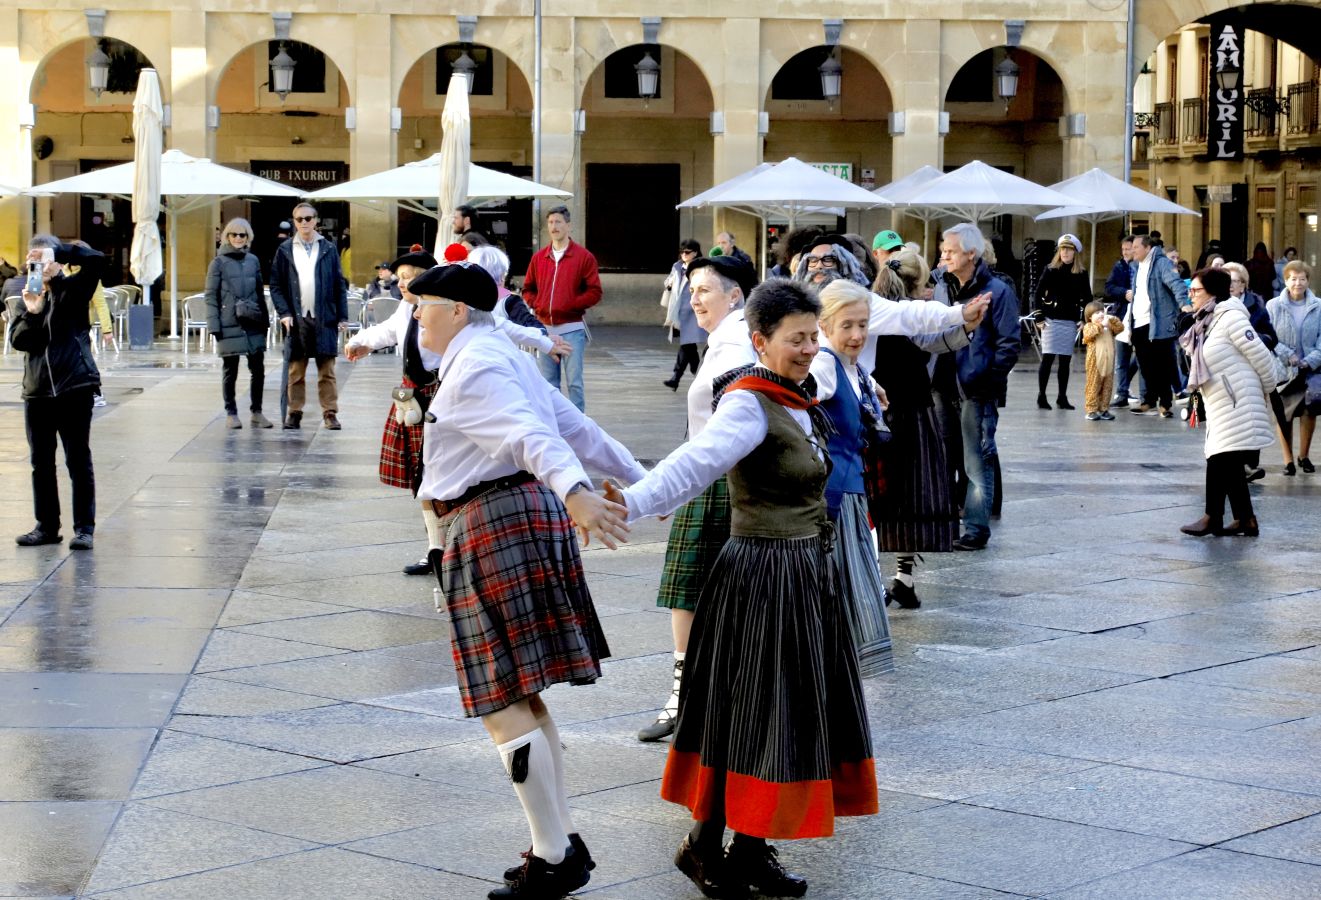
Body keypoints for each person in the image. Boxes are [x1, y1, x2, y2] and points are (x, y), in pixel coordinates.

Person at [612, 278, 877, 900]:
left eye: (814, 337)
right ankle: (706, 846)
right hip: (762, 577)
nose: (811, 348)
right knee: (750, 711)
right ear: (759, 340)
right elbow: (694, 462)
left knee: (780, 714)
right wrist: (632, 500)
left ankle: (748, 848)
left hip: (801, 575)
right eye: (797, 339)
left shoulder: (794, 398)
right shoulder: (748, 404)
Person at [410, 262, 644, 899]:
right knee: (522, 695)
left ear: (458, 309)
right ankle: (559, 842)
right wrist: (644, 484)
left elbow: (530, 433)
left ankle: (553, 854)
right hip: (516, 516)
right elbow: (573, 425)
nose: (416, 317)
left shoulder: (477, 364)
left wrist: (575, 490)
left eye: (423, 305)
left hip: (492, 521)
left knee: (499, 699)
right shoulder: (499, 351)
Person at [638, 254, 758, 744]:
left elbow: (721, 430)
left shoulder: (735, 344)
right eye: (691, 289)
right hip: (705, 477)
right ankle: (690, 695)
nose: (693, 297)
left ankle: (691, 697)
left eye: (703, 289)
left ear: (734, 295)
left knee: (691, 594)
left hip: (720, 482)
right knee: (690, 593)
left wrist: (664, 487)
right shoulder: (723, 340)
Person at [871, 250, 976, 608]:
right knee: (895, 495)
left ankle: (903, 578)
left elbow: (930, 339)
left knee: (903, 496)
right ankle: (880, 577)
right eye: (927, 282)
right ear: (914, 283)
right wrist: (962, 322)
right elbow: (928, 336)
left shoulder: (890, 310)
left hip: (901, 410)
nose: (932, 288)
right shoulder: (889, 311)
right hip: (895, 413)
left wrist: (964, 328)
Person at [812, 279, 894, 675]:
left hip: (852, 493)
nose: (858, 334)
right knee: (849, 592)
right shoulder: (825, 363)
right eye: (847, 325)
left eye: (862, 324)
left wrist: (871, 388)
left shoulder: (852, 366)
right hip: (835, 498)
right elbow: (802, 392)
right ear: (824, 326)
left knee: (851, 592)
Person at [9, 235, 105, 551]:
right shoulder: (29, 296)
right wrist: (32, 312)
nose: (36, 267)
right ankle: (47, 526)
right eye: (31, 261)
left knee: (78, 459)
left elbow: (95, 259)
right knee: (41, 462)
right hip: (37, 391)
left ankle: (84, 529)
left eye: (42, 260)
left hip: (73, 386)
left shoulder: (75, 290)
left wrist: (60, 253)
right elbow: (18, 341)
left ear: (56, 260)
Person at [934, 223, 1021, 551]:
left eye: (950, 250)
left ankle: (975, 529)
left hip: (975, 388)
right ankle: (951, 519)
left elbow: (1009, 344)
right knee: (947, 455)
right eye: (943, 250)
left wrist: (986, 380)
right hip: (943, 384)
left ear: (971, 253)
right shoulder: (942, 285)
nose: (944, 256)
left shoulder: (996, 291)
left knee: (975, 461)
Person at [1178, 268, 1278, 537]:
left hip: (1237, 398)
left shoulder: (1231, 318)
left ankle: (1213, 516)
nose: (1191, 294)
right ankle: (1246, 519)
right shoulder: (1208, 319)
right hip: (1221, 399)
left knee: (1218, 457)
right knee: (1228, 459)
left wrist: (1270, 391)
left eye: (1196, 290)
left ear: (1212, 291)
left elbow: (1261, 355)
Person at [269, 202, 349, 430]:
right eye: (299, 219)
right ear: (294, 222)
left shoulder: (328, 248)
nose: (304, 223)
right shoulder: (285, 249)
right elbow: (276, 285)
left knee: (327, 370)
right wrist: (284, 312)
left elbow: (338, 284)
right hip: (296, 317)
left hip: (325, 317)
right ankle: (295, 412)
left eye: (308, 218)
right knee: (296, 371)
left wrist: (342, 316)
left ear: (316, 220)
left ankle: (330, 412)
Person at [522, 205, 602, 412]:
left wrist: (571, 304)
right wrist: (536, 303)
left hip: (572, 329)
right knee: (549, 383)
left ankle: (579, 427)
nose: (554, 226)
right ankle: (554, 423)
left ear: (568, 225)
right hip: (545, 330)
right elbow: (528, 289)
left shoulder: (583, 257)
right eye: (550, 222)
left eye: (558, 222)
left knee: (574, 382)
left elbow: (595, 291)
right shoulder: (539, 258)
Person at [205, 218, 272, 430]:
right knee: (230, 369)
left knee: (258, 369)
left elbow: (260, 293)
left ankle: (257, 412)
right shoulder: (217, 263)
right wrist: (214, 326)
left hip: (252, 321)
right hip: (228, 323)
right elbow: (210, 296)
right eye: (233, 234)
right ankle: (231, 412)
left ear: (248, 238)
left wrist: (265, 320)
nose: (237, 238)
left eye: (242, 235)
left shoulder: (253, 261)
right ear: (227, 236)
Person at [1223, 261, 1282, 481]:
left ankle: (1250, 463)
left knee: (1251, 415)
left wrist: (1256, 341)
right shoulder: (1215, 306)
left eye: (1234, 281)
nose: (1229, 285)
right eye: (1226, 281)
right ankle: (1232, 461)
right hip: (1226, 371)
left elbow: (1271, 337)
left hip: (1251, 369)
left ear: (1243, 285)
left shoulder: (1256, 306)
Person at [1266, 259, 1321, 475]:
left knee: (1309, 412)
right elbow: (1268, 336)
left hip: (1310, 369)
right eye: (1292, 279)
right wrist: (1287, 355)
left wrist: (1312, 359)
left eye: (1302, 279)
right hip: (1283, 369)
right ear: (1286, 280)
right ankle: (1288, 459)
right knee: (1284, 415)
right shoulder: (1273, 305)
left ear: (1308, 281)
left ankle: (1304, 456)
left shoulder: (1318, 306)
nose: (1297, 283)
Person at [1128, 234, 1189, 418]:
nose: (1133, 251)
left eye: (1136, 247)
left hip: (1158, 322)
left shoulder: (1161, 264)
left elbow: (1176, 284)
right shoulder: (1137, 267)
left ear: (1147, 248)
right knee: (1146, 366)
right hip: (1138, 322)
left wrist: (1184, 304)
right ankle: (1149, 400)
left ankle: (1165, 404)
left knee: (1162, 365)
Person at [1034, 234, 1090, 410]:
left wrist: (1084, 319)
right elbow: (1037, 294)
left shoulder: (1081, 273)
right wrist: (1039, 317)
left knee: (1065, 361)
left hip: (1069, 321)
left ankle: (1062, 397)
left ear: (1075, 252)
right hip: (1051, 320)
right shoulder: (1050, 270)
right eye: (1062, 249)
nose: (1065, 252)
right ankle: (1041, 396)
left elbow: (1087, 298)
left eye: (1069, 249)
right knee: (1048, 359)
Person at [662, 240, 705, 391]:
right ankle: (695, 367)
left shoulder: (701, 267)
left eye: (687, 252)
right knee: (688, 345)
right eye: (682, 252)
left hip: (694, 310)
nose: (684, 255)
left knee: (686, 343)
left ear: (695, 252)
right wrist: (669, 283)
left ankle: (677, 377)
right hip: (679, 309)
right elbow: (668, 280)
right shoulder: (677, 266)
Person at [1105, 235, 1143, 407]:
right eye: (1124, 250)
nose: (1126, 252)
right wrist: (1124, 292)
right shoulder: (1119, 266)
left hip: (1141, 316)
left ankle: (1134, 390)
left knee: (1141, 355)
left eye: (1129, 249)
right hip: (1122, 315)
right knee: (1122, 358)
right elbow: (1109, 287)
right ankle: (1121, 393)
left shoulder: (1142, 266)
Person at [1080, 300, 1125, 421]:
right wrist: (1101, 325)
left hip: (1109, 363)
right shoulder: (1089, 326)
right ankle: (1091, 410)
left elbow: (1120, 328)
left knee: (1107, 387)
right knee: (1093, 386)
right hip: (1095, 364)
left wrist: (1112, 320)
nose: (1100, 315)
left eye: (1101, 312)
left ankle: (1104, 409)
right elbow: (1088, 335)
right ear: (1089, 317)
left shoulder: (1108, 327)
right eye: (1096, 313)